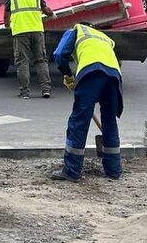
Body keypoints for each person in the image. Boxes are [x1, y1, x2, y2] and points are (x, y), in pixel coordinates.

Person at [51, 23, 123, 182]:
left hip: (91, 72)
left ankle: (72, 170)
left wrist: (69, 75)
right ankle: (114, 170)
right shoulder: (105, 38)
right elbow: (117, 62)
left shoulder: (76, 30)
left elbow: (60, 54)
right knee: (109, 121)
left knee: (79, 121)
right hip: (114, 76)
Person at [7, 0, 55, 99]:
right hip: (37, 30)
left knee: (22, 61)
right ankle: (46, 90)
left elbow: (7, 13)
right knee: (41, 60)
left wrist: (7, 24)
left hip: (20, 31)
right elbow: (46, 9)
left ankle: (25, 92)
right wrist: (52, 15)